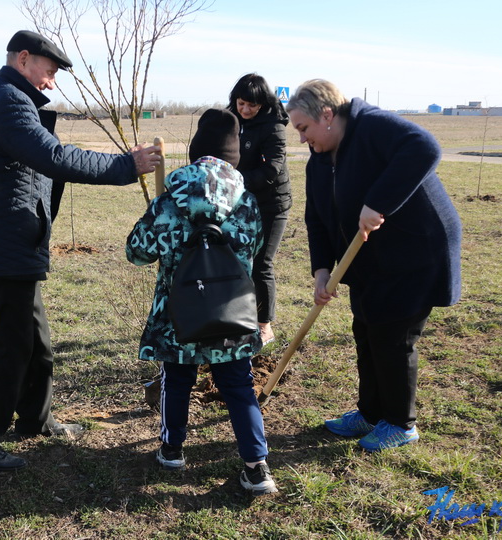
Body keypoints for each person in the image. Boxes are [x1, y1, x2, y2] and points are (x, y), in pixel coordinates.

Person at [0, 30, 161, 471]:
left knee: (37, 345)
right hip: (5, 246)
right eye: (48, 72)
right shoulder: (8, 103)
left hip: (15, 244)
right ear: (24, 59)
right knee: (12, 349)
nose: (51, 82)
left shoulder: (12, 100)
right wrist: (126, 166)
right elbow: (55, 157)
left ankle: (35, 419)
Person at [285, 79, 462, 451]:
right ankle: (370, 412)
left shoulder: (373, 127)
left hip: (414, 251)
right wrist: (322, 271)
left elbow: (425, 147)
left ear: (327, 115)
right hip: (370, 254)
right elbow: (316, 218)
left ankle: (401, 423)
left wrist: (379, 201)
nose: (301, 139)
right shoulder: (319, 160)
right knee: (365, 329)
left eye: (303, 128)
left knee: (393, 335)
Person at [126, 108, 278, 496]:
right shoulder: (246, 201)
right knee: (239, 387)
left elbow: (137, 252)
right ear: (233, 158)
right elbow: (256, 251)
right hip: (232, 312)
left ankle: (172, 450)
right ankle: (256, 468)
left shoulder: (169, 200)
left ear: (195, 153)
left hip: (179, 315)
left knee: (176, 380)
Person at [227, 74, 291, 345]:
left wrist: (236, 181)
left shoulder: (274, 126)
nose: (245, 110)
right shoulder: (231, 120)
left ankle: (264, 326)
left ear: (263, 103)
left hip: (271, 203)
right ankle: (239, 318)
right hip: (239, 201)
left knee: (261, 263)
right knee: (239, 262)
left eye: (251, 105)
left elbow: (273, 168)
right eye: (241, 104)